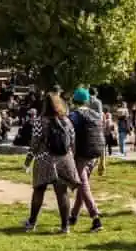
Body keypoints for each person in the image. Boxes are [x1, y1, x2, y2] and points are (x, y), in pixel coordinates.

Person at [23, 94, 80, 233]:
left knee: (38, 190)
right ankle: (65, 227)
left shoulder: (39, 121)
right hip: (63, 159)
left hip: (44, 159)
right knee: (62, 193)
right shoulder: (67, 120)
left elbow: (35, 143)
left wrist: (28, 161)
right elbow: (72, 142)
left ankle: (32, 222)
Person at [67, 87, 104, 232]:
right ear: (87, 101)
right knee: (83, 186)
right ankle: (73, 216)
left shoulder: (75, 115)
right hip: (94, 154)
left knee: (83, 186)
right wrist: (102, 160)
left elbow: (70, 135)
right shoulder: (95, 114)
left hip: (81, 154)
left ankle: (96, 218)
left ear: (74, 100)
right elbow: (102, 137)